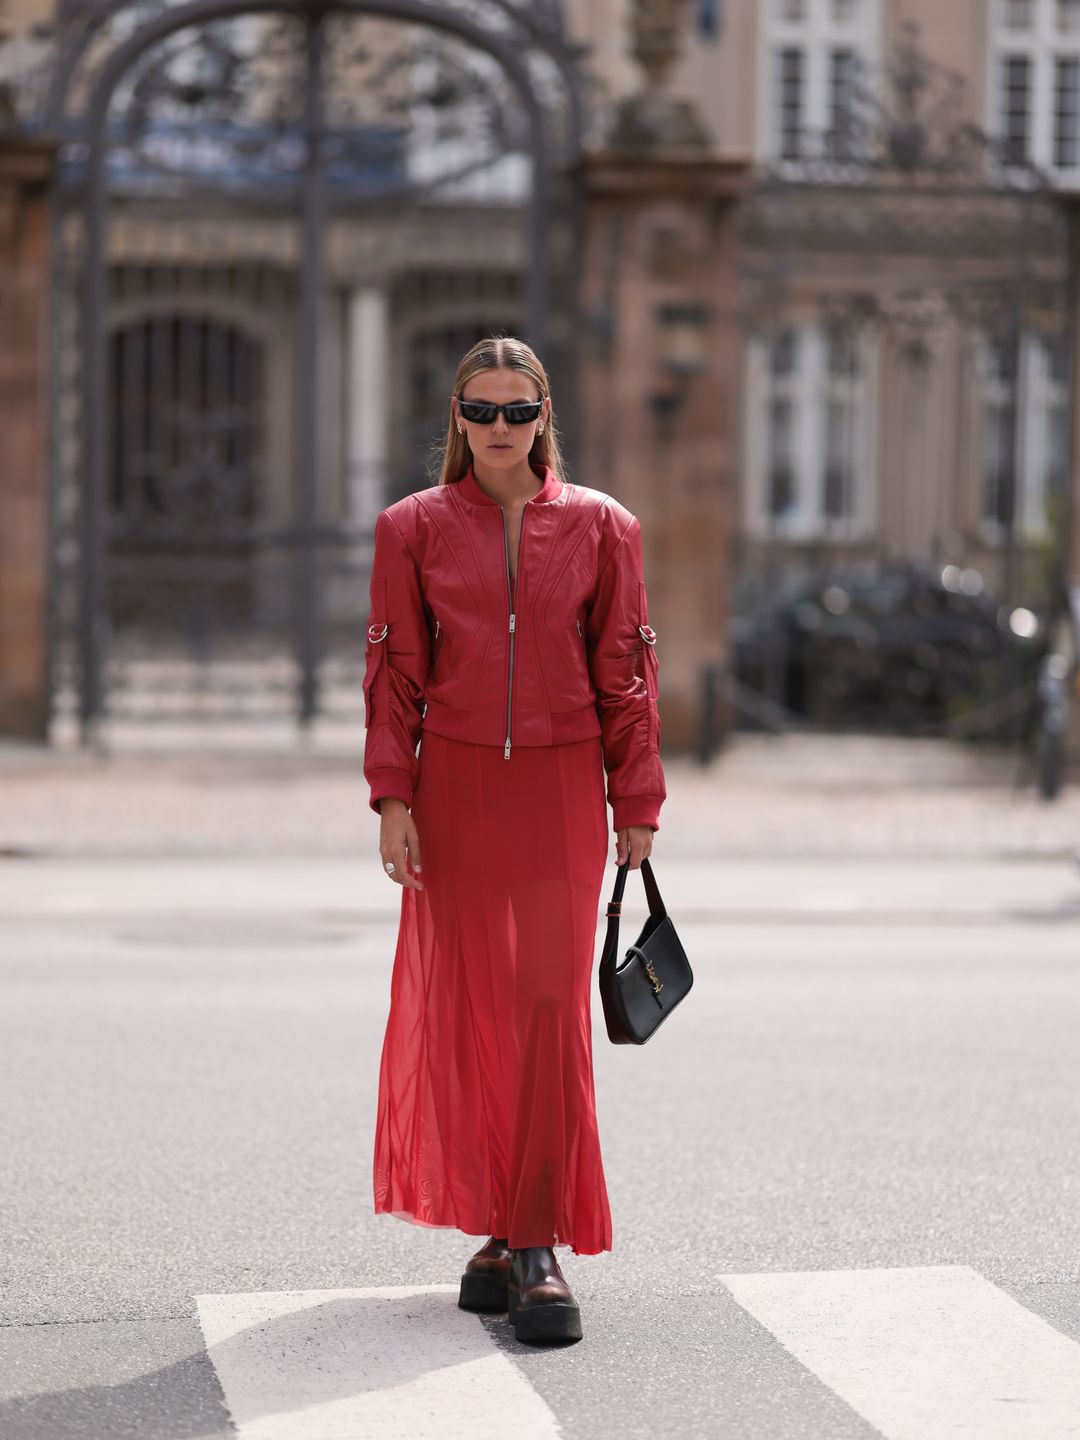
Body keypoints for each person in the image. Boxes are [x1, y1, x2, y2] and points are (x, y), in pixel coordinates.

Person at [363, 334, 666, 1345]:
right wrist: (391, 799)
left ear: (546, 420)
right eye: (481, 412)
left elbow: (625, 671)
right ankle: (498, 1234)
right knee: (469, 1010)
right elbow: (395, 674)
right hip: (449, 785)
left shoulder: (603, 527)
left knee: (543, 1007)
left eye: (518, 412)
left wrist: (639, 803)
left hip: (560, 787)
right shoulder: (409, 528)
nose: (500, 430)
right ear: (456, 418)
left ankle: (534, 1244)